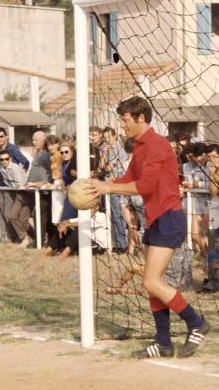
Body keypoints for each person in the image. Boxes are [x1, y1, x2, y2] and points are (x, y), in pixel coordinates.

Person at [87, 96, 211, 359]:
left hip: (168, 217)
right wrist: (98, 184)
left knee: (151, 281)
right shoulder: (140, 145)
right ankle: (163, 343)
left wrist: (108, 188)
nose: (122, 125)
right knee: (152, 284)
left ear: (141, 118)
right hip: (154, 218)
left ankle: (196, 322)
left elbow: (145, 186)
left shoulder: (157, 144)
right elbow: (130, 178)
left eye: (125, 119)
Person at [102, 127, 129, 253]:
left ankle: (122, 245)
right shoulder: (106, 149)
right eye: (105, 138)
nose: (107, 140)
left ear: (115, 136)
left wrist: (108, 165)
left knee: (119, 216)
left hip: (118, 186)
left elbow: (109, 169)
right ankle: (117, 243)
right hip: (110, 186)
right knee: (113, 216)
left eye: (109, 137)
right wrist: (103, 154)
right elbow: (102, 167)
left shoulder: (119, 149)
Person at [0, 150, 28, 244]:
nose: (4, 161)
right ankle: (27, 237)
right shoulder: (2, 168)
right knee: (14, 216)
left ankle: (25, 237)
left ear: (10, 159)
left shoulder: (15, 168)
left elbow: (20, 184)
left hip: (25, 193)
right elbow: (9, 183)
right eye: (2, 159)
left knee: (15, 216)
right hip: (16, 192)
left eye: (6, 159)